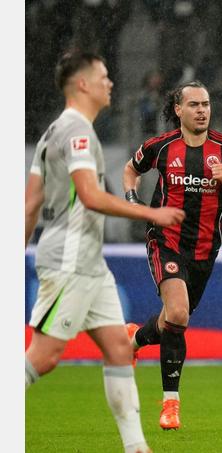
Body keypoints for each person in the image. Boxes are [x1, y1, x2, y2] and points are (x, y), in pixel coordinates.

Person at [25, 51, 186, 453]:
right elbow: (91, 196)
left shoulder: (53, 132)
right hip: (70, 259)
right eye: (102, 75)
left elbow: (30, 203)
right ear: (82, 84)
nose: (110, 82)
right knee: (43, 358)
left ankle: (137, 447)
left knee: (118, 347)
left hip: (89, 263)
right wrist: (152, 211)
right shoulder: (77, 132)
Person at [122, 80, 222, 430]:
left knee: (175, 321)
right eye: (194, 105)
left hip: (205, 250)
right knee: (177, 312)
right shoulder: (160, 147)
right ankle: (170, 404)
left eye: (206, 104)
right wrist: (132, 200)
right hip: (166, 239)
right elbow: (131, 170)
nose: (202, 110)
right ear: (178, 110)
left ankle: (133, 338)